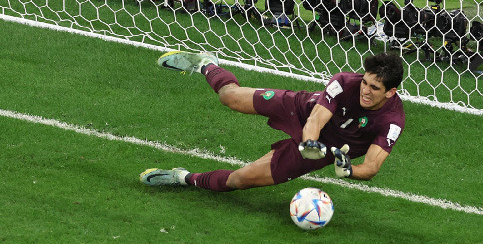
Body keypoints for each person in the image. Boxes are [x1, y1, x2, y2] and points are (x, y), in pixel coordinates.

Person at [140, 51, 405, 192]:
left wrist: (350, 170)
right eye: (366, 82)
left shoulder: (392, 121)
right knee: (229, 97)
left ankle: (183, 178)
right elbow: (316, 118)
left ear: (391, 92)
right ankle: (206, 64)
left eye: (375, 89)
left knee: (240, 180)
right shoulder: (345, 82)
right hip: (300, 109)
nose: (366, 91)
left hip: (320, 152)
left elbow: (371, 167)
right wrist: (309, 141)